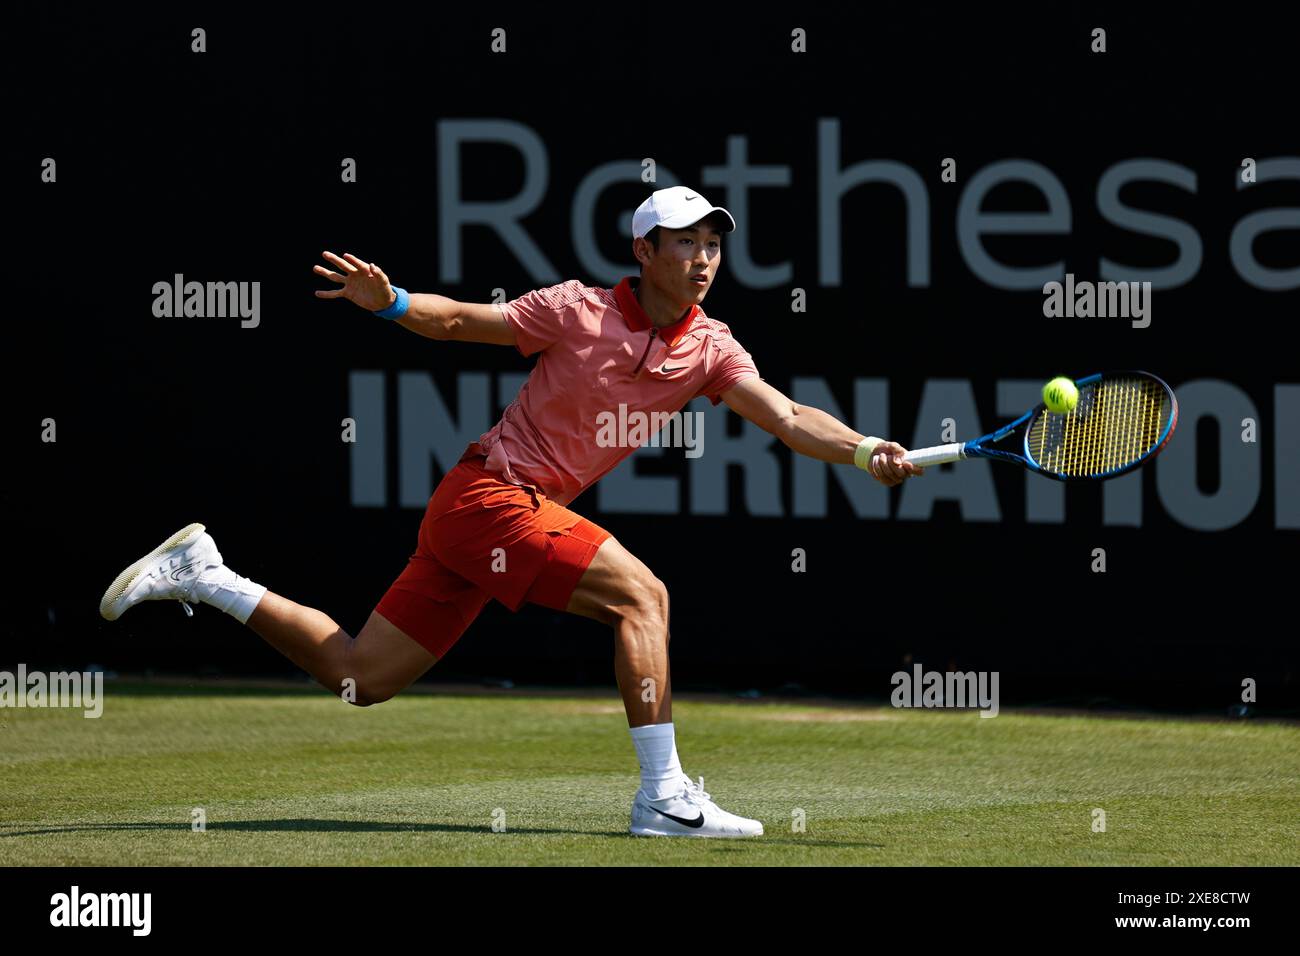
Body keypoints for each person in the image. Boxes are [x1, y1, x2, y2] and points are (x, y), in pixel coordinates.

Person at [99, 186, 924, 838]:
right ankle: (665, 798)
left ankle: (206, 575)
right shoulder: (578, 309)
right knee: (645, 597)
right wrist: (389, 303)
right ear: (645, 252)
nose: (705, 259)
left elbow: (785, 416)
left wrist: (861, 448)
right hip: (492, 498)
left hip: (479, 521)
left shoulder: (711, 346)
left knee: (359, 678)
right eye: (687, 243)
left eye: (714, 244)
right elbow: (461, 322)